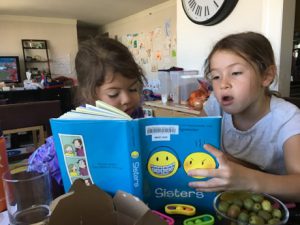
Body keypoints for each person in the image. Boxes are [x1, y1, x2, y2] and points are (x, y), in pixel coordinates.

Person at [187, 31, 300, 202]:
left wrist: (249, 179)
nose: (223, 84)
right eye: (216, 76)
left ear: (266, 76)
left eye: (236, 73)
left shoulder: (288, 118)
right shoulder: (214, 107)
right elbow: (192, 143)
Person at [28, 36, 146, 196]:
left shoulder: (134, 114)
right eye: (113, 93)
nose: (127, 100)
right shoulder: (77, 124)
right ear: (89, 93)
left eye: (133, 89)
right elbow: (34, 167)